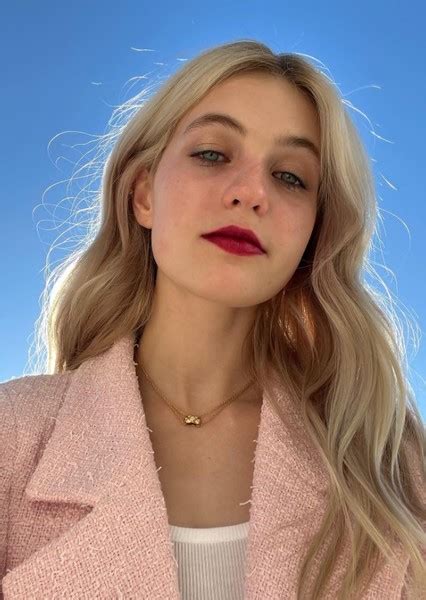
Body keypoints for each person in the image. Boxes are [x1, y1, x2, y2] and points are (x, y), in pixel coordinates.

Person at [0, 39, 424, 600]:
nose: (251, 193)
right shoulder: (11, 436)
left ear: (314, 232)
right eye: (212, 154)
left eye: (290, 176)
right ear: (143, 195)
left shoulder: (389, 466)